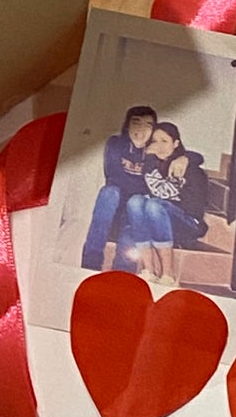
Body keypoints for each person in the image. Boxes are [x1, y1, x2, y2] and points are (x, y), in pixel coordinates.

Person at [125, 122, 208, 286]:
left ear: (176, 144)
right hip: (157, 222)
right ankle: (149, 270)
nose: (159, 146)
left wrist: (187, 158)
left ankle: (168, 274)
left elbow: (192, 208)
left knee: (155, 205)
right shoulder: (151, 166)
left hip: (188, 223)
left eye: (164, 141)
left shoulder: (191, 169)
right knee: (135, 201)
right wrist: (149, 161)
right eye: (154, 141)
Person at [80, 104, 156, 271]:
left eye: (148, 125)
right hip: (112, 206)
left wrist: (185, 160)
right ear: (127, 125)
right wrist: (140, 186)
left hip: (133, 210)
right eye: (136, 122)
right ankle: (90, 261)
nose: (141, 130)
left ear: (153, 131)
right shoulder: (115, 143)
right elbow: (113, 175)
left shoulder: (155, 152)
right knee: (110, 192)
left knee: (136, 204)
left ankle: (124, 270)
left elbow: (188, 154)